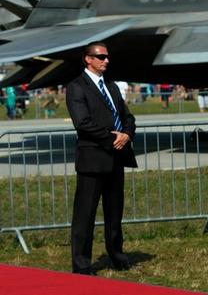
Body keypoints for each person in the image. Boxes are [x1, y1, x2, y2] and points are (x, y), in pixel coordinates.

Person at [66, 41, 137, 275]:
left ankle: (117, 256)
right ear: (88, 59)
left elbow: (127, 116)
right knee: (85, 215)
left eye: (107, 56)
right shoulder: (77, 87)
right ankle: (82, 264)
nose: (106, 60)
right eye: (101, 56)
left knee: (114, 212)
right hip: (93, 159)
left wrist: (126, 135)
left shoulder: (111, 86)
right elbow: (83, 123)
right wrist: (112, 138)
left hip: (116, 158)